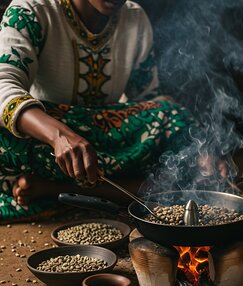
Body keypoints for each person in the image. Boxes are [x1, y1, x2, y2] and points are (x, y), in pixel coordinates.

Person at [0, 0, 192, 221]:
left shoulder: (134, 17)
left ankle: (54, 190)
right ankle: (128, 192)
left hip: (107, 142)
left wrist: (201, 148)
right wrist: (59, 135)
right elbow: (3, 86)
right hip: (47, 144)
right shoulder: (30, 11)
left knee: (174, 117)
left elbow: (149, 102)